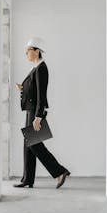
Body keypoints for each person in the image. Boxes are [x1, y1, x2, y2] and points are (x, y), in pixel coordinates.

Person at [14, 37, 70, 189]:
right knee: (29, 144)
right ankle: (28, 179)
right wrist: (23, 88)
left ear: (37, 51)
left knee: (34, 145)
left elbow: (41, 94)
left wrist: (38, 116)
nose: (26, 53)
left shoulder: (41, 69)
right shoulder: (36, 68)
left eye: (28, 51)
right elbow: (33, 89)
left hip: (35, 111)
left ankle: (59, 171)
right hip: (30, 110)